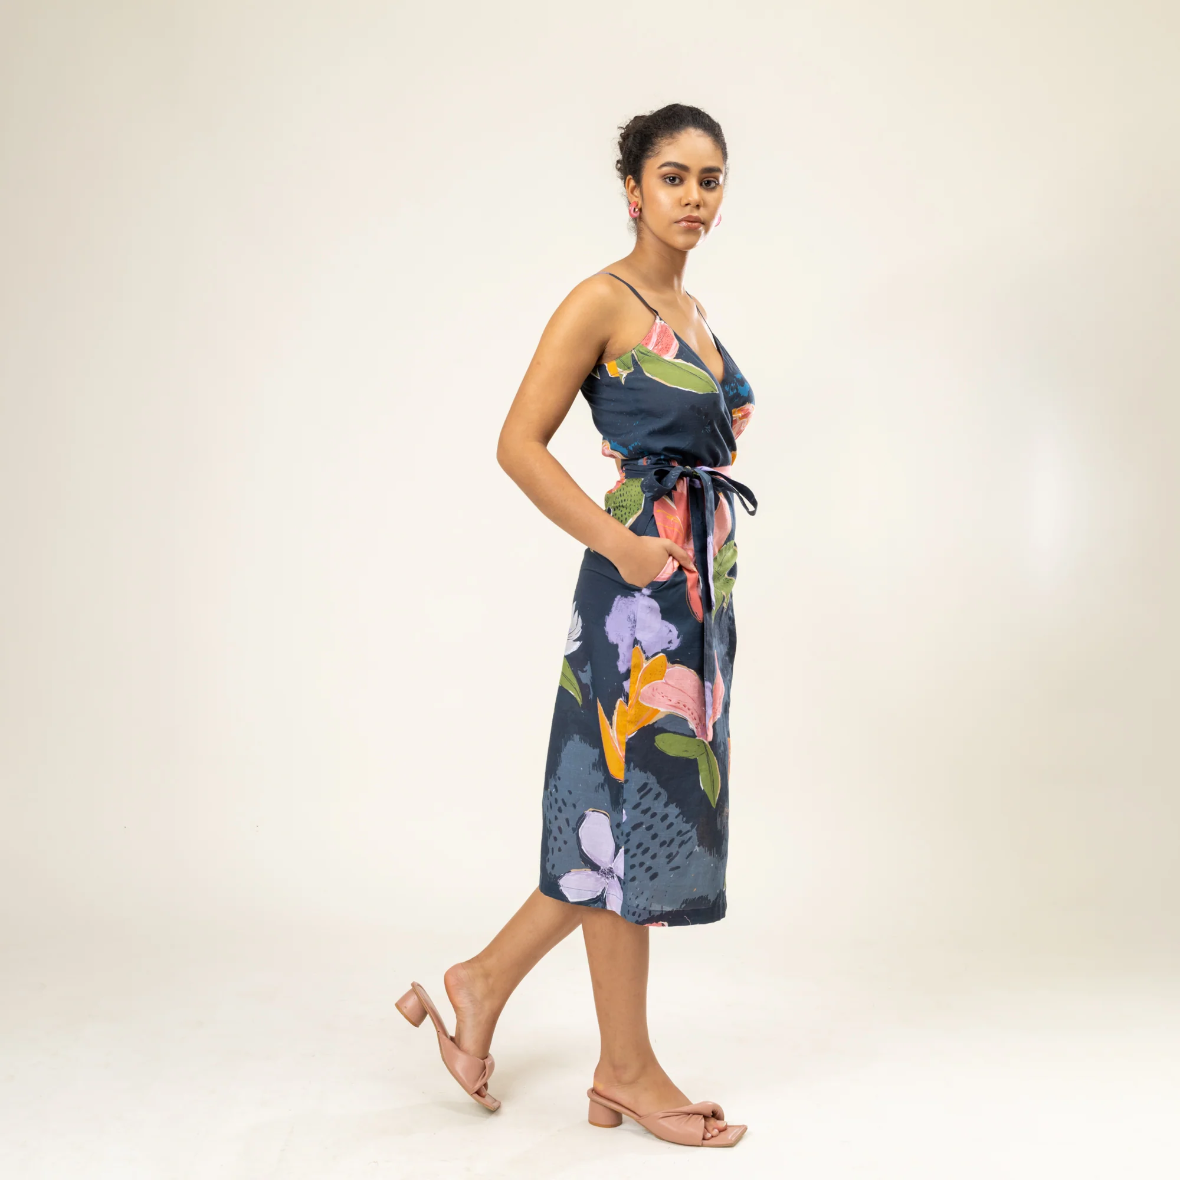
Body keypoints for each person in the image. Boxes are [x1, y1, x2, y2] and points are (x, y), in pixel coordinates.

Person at [397, 103, 757, 1149]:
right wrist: (622, 546)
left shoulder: (690, 309)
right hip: (636, 593)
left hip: (694, 593)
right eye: (674, 177)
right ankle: (625, 1069)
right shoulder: (601, 301)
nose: (694, 197)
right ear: (633, 189)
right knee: (625, 818)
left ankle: (485, 983)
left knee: (622, 813)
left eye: (711, 179)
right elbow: (519, 442)